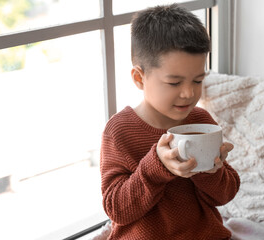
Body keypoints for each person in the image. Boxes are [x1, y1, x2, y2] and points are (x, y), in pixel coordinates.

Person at [100, 4, 240, 239]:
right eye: (175, 83)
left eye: (197, 80)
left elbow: (224, 195)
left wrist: (211, 168)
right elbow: (116, 209)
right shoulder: (120, 130)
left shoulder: (201, 122)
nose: (188, 93)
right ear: (139, 78)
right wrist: (157, 167)